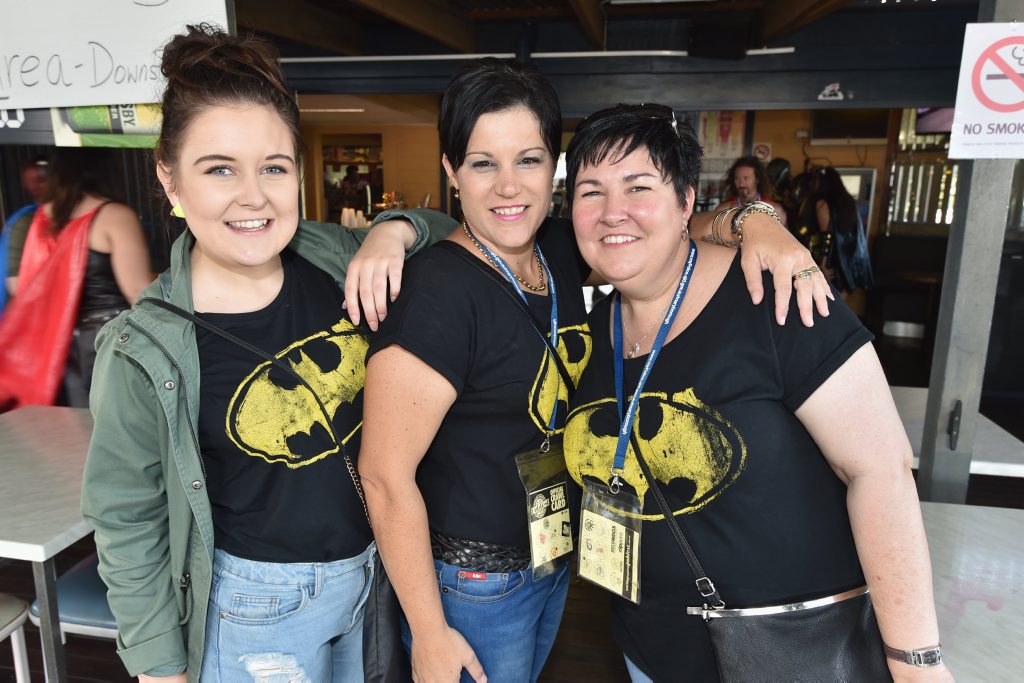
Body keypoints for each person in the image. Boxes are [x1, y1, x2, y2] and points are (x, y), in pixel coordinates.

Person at [357, 58, 830, 683]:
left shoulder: (555, 245)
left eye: (527, 160)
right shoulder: (437, 293)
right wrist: (431, 630)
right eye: (481, 163)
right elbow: (383, 475)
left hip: (551, 556)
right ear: (451, 172)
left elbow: (671, 224)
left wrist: (756, 222)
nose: (508, 187)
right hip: (475, 584)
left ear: (553, 167)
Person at [80, 25, 454, 682]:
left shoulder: (335, 259)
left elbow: (455, 243)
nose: (253, 196)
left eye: (274, 168)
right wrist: (157, 664)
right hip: (253, 605)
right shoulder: (143, 348)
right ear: (170, 180)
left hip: (370, 579)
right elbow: (125, 516)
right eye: (219, 168)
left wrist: (395, 230)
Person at [562, 103, 951, 682]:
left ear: (685, 199)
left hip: (789, 652)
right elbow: (484, 227)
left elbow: (881, 472)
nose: (612, 212)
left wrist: (915, 662)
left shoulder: (777, 299)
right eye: (590, 191)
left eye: (638, 186)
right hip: (648, 650)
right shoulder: (589, 332)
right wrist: (399, 231)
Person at [0, 148, 151, 409]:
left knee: (78, 426)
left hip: (61, 344)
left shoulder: (44, 216)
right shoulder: (114, 215)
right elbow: (136, 289)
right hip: (111, 338)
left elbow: (25, 284)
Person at [809, 165, 874, 294]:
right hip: (848, 261)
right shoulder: (849, 201)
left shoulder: (822, 203)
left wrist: (822, 264)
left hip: (832, 260)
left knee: (824, 301)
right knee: (839, 302)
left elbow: (826, 235)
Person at [1, 155, 50, 308]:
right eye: (31, 180)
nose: (36, 185)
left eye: (40, 179)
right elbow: (15, 285)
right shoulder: (25, 220)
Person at [714, 155, 785, 223]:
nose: (741, 184)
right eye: (737, 178)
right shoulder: (723, 210)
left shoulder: (774, 210)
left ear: (757, 179)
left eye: (746, 178)